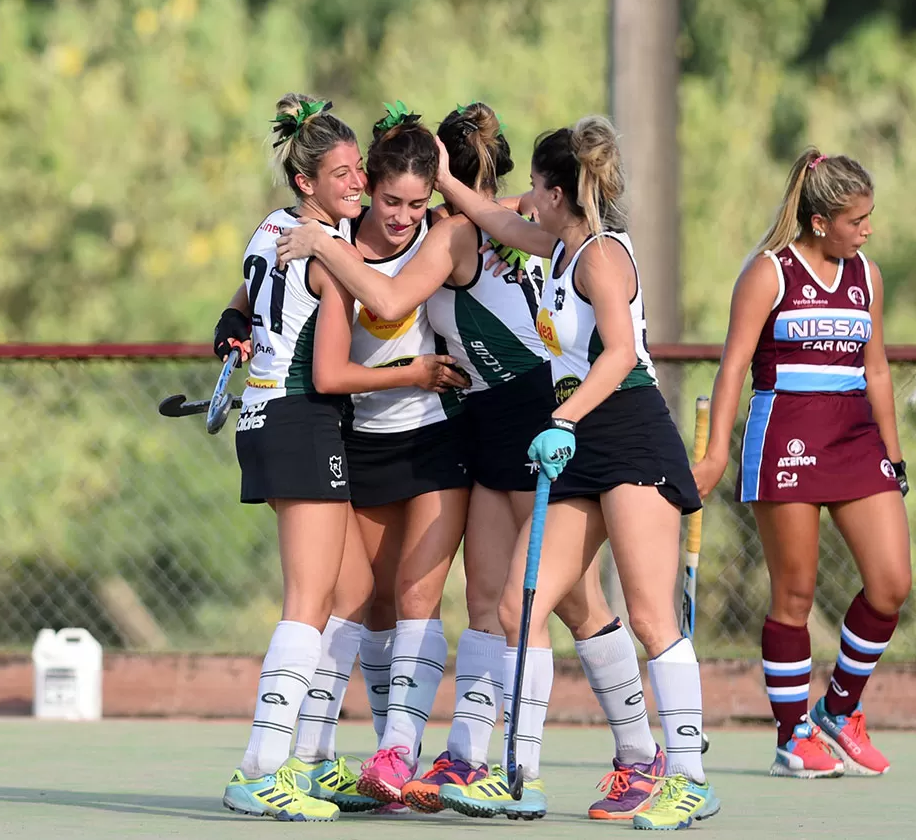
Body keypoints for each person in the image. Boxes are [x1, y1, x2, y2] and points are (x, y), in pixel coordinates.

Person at [277, 103, 667, 821]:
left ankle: (633, 757)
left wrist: (324, 245)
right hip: (489, 419)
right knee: (491, 597)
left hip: (532, 409)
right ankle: (467, 754)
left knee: (571, 602)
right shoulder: (507, 212)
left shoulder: (461, 230)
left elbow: (390, 295)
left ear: (444, 178)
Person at [424, 116, 720, 830]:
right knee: (519, 607)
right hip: (581, 438)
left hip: (627, 433)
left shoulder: (601, 259)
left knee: (651, 616)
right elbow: (496, 216)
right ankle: (518, 775)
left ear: (557, 193)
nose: (526, 195)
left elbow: (619, 353)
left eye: (536, 184)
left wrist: (561, 420)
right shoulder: (557, 249)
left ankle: (687, 778)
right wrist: (441, 180)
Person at [213, 94, 463, 822]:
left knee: (351, 592)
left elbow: (252, 287)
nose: (356, 185)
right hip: (303, 422)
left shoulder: (274, 229)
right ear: (306, 184)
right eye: (343, 176)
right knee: (308, 602)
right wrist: (411, 375)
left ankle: (316, 762)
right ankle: (262, 769)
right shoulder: (336, 258)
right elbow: (330, 375)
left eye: (360, 171)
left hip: (267, 423)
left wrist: (232, 316)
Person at [690, 146, 912, 779]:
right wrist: (713, 455)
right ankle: (792, 738)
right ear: (820, 221)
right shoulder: (769, 272)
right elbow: (733, 365)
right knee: (795, 593)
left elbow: (876, 368)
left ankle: (838, 712)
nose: (867, 230)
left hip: (854, 439)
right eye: (856, 220)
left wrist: (893, 456)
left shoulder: (865, 274)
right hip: (785, 435)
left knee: (892, 582)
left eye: (869, 217)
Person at [285, 104, 476, 808]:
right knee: (365, 604)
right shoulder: (332, 239)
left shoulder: (436, 236)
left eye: (416, 203)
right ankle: (318, 751)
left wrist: (452, 185)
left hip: (434, 436)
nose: (401, 216)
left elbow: (523, 211)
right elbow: (267, 265)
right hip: (360, 442)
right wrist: (238, 317)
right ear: (366, 188)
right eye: (390, 201)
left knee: (421, 598)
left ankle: (398, 752)